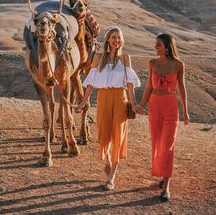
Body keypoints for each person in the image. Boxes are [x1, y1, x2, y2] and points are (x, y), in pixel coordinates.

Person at [76, 26, 140, 190]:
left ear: (122, 40)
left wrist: (133, 103)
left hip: (120, 98)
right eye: (113, 37)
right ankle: (108, 161)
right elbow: (90, 83)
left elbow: (131, 84)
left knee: (118, 134)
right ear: (108, 39)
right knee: (104, 132)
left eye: (118, 37)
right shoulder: (98, 58)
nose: (116, 40)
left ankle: (111, 177)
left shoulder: (125, 58)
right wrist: (83, 102)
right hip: (103, 98)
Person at [138, 33, 190, 201]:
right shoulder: (152, 63)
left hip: (170, 106)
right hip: (154, 105)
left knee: (168, 144)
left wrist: (186, 111)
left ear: (167, 47)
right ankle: (162, 174)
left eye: (158, 44)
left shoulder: (178, 64)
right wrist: (141, 104)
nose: (155, 47)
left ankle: (166, 186)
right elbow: (148, 87)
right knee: (158, 142)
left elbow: (182, 88)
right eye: (156, 44)